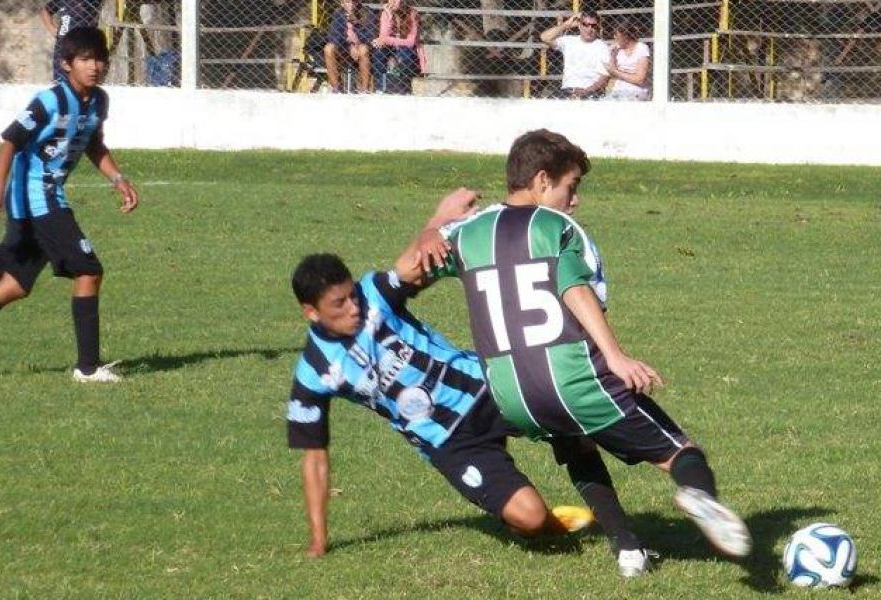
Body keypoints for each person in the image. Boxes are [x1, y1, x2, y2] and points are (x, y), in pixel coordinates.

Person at [403, 130, 752, 577]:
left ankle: (628, 551)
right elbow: (575, 288)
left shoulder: (469, 233)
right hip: (570, 380)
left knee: (576, 443)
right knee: (681, 452)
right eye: (572, 186)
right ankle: (699, 496)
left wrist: (431, 226)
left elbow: (411, 268)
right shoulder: (558, 229)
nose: (576, 200)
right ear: (542, 181)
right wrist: (617, 356)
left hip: (511, 395)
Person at [287, 225, 599, 557]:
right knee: (531, 519)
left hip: (487, 387)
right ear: (311, 311)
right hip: (450, 442)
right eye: (339, 303)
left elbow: (417, 263)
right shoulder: (313, 374)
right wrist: (318, 541)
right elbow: (315, 458)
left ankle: (617, 524)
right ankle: (540, 525)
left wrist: (439, 220)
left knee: (579, 424)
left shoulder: (374, 294)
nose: (353, 307)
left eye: (352, 295)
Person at [0, 27, 139, 383]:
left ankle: (88, 366)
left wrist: (117, 178)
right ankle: (88, 368)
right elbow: (9, 141)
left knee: (14, 286)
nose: (94, 66)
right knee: (89, 270)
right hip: (37, 198)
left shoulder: (99, 101)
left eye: (100, 59)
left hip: (44, 200)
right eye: (85, 59)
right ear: (67, 64)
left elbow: (92, 144)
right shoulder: (50, 100)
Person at [540, 11, 610, 99]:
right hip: (567, 90)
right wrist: (566, 25)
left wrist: (585, 91)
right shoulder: (569, 41)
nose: (589, 29)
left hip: (590, 92)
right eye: (585, 24)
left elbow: (604, 78)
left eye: (593, 25)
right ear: (579, 26)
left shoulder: (602, 47)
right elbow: (545, 38)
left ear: (597, 27)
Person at [39, 0, 105, 82]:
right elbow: (45, 11)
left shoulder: (91, 2)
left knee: (81, 78)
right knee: (60, 78)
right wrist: (52, 29)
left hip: (84, 43)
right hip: (63, 43)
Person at [371, 0, 423, 94]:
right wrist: (390, 17)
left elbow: (411, 42)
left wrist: (387, 40)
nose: (393, 2)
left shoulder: (412, 14)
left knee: (406, 56)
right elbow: (383, 36)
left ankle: (404, 87)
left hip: (406, 48)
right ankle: (380, 87)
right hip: (390, 47)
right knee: (378, 54)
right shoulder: (385, 13)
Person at [325, 0, 376, 93]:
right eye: (348, 2)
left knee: (363, 49)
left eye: (354, 2)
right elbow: (333, 36)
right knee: (328, 48)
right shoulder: (338, 13)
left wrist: (357, 23)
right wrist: (350, 45)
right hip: (343, 47)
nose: (352, 5)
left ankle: (364, 89)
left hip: (360, 46)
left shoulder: (367, 13)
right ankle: (335, 88)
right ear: (342, 3)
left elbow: (370, 36)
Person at [604, 20, 650, 100]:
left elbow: (639, 79)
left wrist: (616, 72)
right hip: (618, 90)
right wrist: (612, 56)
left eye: (616, 34)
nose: (614, 37)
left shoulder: (641, 48)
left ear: (625, 35)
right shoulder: (616, 49)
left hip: (636, 91)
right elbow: (611, 72)